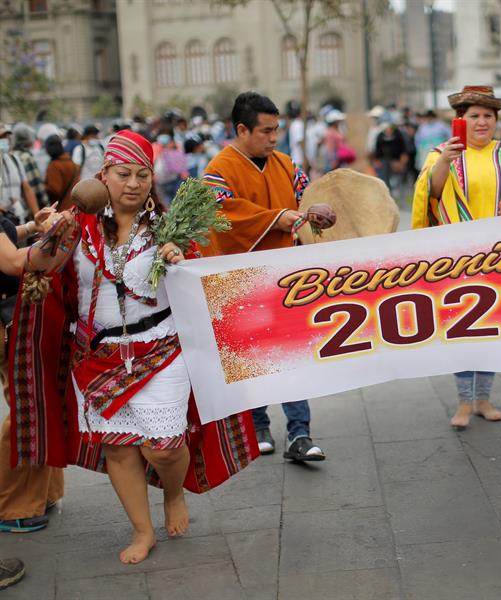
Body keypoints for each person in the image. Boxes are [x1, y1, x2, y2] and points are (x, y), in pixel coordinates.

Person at [8, 131, 258, 564]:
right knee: (119, 447)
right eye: (123, 174)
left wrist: (181, 259)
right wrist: (51, 230)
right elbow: (43, 266)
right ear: (103, 175)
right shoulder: (80, 226)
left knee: (163, 445)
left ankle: (174, 494)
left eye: (143, 174)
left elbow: (202, 281)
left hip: (160, 349)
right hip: (96, 356)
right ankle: (142, 531)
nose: (133, 183)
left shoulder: (168, 227)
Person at [201, 91, 336, 462]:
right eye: (266, 131)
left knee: (291, 355)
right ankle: (258, 425)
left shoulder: (287, 165)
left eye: (276, 130)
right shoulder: (218, 170)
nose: (274, 138)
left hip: (283, 276)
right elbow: (223, 213)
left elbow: (305, 200)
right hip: (238, 278)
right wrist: (276, 217)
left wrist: (318, 211)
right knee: (251, 356)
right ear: (242, 129)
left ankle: (300, 433)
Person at [412, 85, 501, 430]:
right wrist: (444, 161)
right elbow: (429, 195)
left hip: (499, 259)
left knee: (490, 330)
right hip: (455, 260)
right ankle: (463, 402)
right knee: (460, 330)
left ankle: (484, 398)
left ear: (495, 120)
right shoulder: (440, 154)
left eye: (487, 116)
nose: (481, 122)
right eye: (473, 115)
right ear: (460, 120)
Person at [0, 208, 64, 534]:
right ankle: (13, 506)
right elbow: (11, 262)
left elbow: (6, 237)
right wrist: (51, 242)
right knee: (27, 409)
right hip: (7, 317)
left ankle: (41, 495)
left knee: (32, 404)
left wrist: (30, 227)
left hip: (12, 311)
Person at [0, 125, 40, 223]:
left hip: (18, 218)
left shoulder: (14, 159)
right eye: (0, 138)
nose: (4, 140)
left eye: (5, 137)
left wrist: (37, 215)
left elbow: (26, 188)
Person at [11, 124, 50, 209]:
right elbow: (36, 186)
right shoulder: (27, 157)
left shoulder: (12, 155)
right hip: (32, 207)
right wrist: (45, 204)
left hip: (19, 206)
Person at [373, 117, 411, 200]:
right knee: (384, 177)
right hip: (384, 159)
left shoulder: (398, 134)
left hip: (396, 159)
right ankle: (387, 195)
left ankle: (401, 196)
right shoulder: (380, 136)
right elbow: (377, 149)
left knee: (399, 177)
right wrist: (376, 160)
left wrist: (403, 158)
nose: (388, 130)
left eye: (389, 128)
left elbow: (403, 147)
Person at [44, 134, 80, 209]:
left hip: (61, 209)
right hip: (74, 207)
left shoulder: (54, 165)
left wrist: (43, 187)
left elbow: (55, 189)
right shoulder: (72, 163)